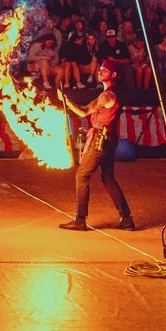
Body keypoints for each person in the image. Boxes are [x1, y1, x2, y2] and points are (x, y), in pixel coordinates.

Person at [58, 59, 135, 232]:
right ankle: (127, 219)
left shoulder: (107, 95)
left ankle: (80, 219)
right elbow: (85, 111)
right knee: (107, 178)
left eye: (104, 70)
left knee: (81, 175)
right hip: (108, 138)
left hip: (102, 139)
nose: (99, 72)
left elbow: (85, 112)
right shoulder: (107, 93)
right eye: (100, 69)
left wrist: (67, 102)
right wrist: (67, 101)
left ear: (113, 75)